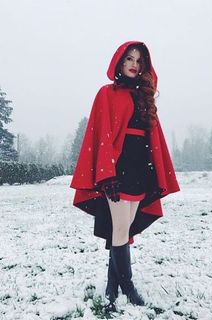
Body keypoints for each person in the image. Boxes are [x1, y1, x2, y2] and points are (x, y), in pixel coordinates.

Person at [70, 41, 180, 311]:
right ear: (119, 62)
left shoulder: (144, 96)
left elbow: (152, 137)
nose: (134, 64)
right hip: (117, 170)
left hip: (140, 169)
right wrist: (107, 176)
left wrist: (155, 172)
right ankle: (127, 286)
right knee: (120, 229)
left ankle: (112, 285)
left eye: (139, 60)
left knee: (124, 230)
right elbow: (103, 134)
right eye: (129, 58)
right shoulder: (107, 94)